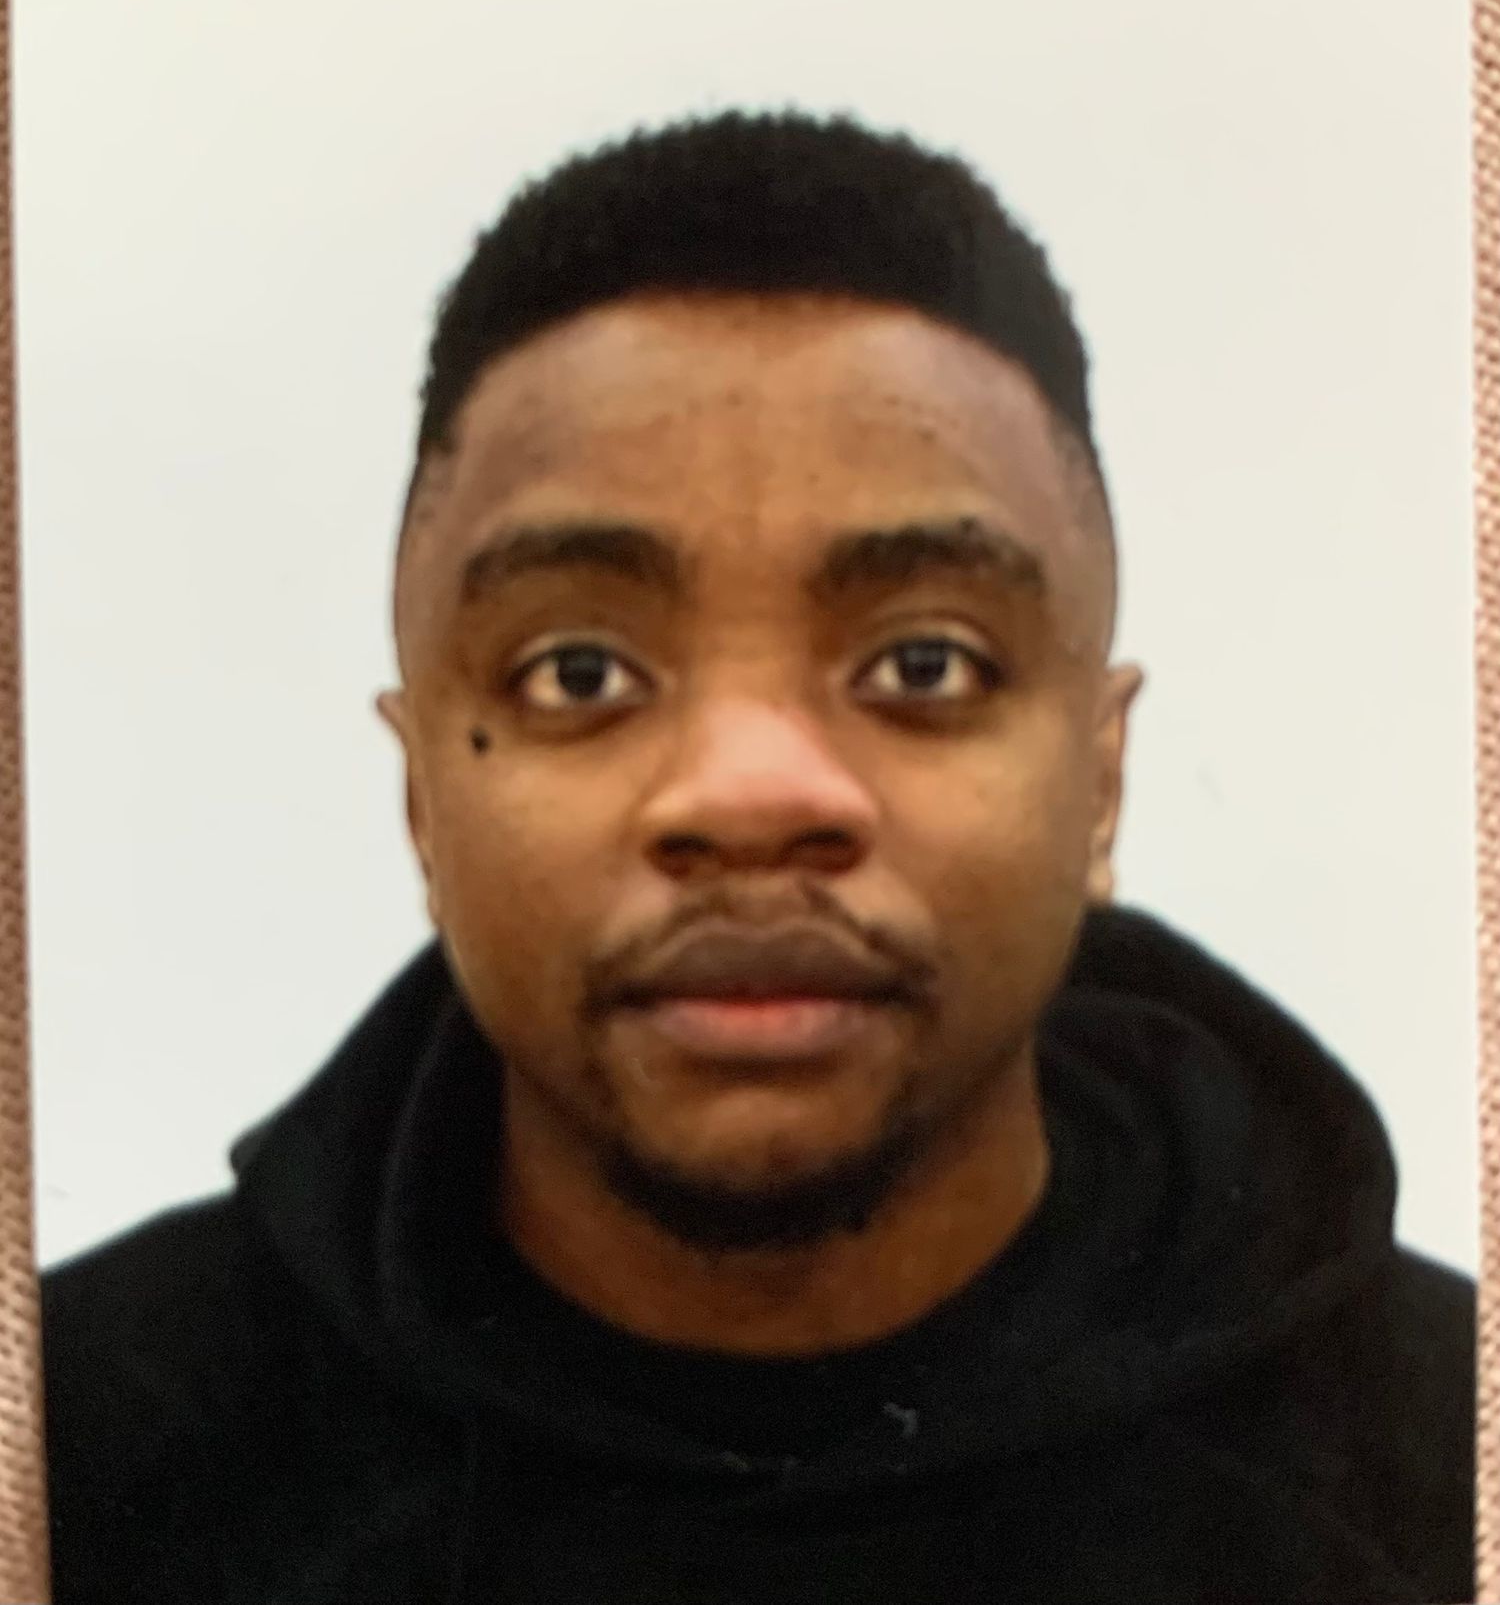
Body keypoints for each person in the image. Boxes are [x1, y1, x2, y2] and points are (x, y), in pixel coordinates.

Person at [39, 110, 1474, 1605]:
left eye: (924, 663)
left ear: (1099, 782)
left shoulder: (1446, 1473)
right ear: (421, 798)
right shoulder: (69, 1471)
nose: (749, 795)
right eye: (580, 673)